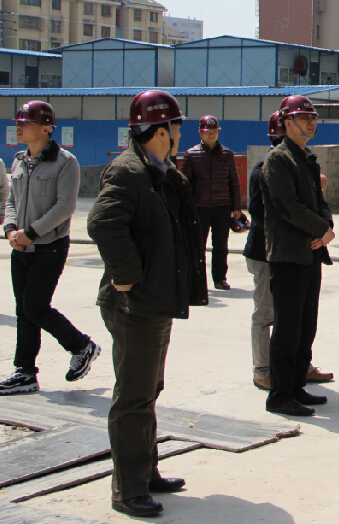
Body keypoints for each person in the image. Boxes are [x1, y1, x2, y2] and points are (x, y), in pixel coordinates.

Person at [88, 90, 208, 517]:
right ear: (160, 131)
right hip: (134, 304)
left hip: (155, 300)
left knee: (148, 392)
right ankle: (128, 490)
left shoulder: (160, 171)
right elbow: (103, 222)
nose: (180, 135)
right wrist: (126, 273)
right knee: (134, 397)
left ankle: (146, 472)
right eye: (177, 127)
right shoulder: (129, 171)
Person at [1, 101, 97, 397]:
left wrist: (30, 233)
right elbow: (12, 200)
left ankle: (82, 346)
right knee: (23, 310)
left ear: (45, 128)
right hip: (21, 247)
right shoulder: (19, 160)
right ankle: (25, 373)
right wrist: (11, 229)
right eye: (18, 122)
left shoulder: (66, 162)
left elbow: (65, 206)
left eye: (25, 123)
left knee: (35, 307)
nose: (18, 127)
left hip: (49, 247)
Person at [243, 111, 334, 391]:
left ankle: (297, 374)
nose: (311, 123)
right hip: (271, 251)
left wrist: (321, 229)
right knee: (270, 316)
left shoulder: (305, 160)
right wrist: (316, 229)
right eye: (303, 118)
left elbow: (317, 203)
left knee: (300, 322)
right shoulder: (271, 163)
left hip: (303, 249)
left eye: (313, 117)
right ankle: (264, 371)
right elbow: (271, 211)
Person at [180, 115, 242, 290]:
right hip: (199, 207)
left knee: (221, 246)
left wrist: (237, 207)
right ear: (201, 133)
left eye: (215, 131)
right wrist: (185, 208)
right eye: (208, 132)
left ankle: (220, 279)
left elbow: (234, 182)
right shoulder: (191, 155)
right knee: (197, 246)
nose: (212, 134)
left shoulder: (227, 155)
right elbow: (185, 183)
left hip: (222, 207)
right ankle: (196, 280)